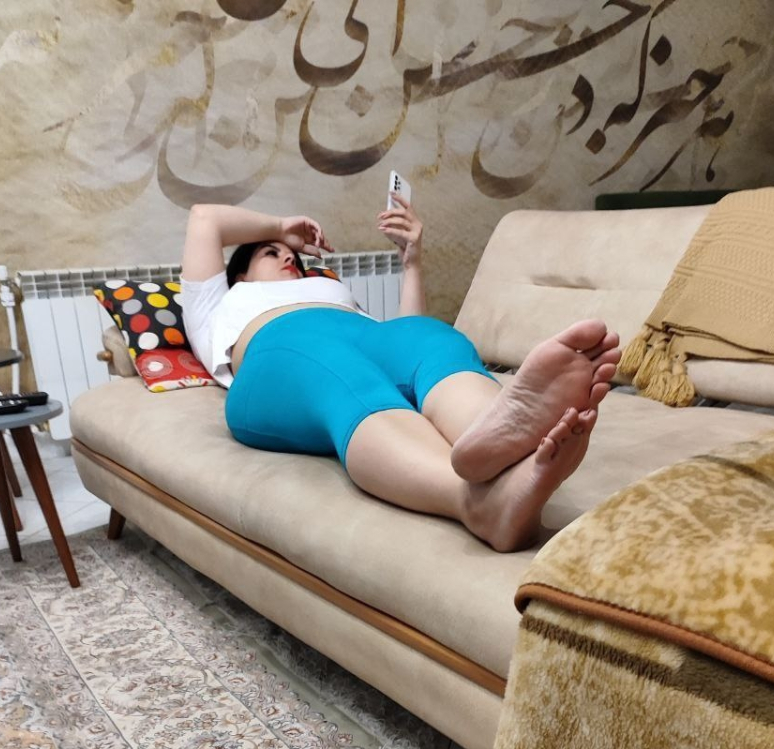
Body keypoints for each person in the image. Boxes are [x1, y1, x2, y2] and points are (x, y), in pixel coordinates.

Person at [180, 196, 620, 552]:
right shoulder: (218, 303)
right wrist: (280, 227)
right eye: (270, 253)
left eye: (293, 255)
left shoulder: (331, 290)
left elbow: (401, 334)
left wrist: (412, 262)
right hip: (283, 351)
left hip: (365, 336)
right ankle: (474, 501)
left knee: (429, 337)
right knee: (342, 373)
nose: (288, 258)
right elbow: (204, 219)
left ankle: (500, 441)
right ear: (239, 274)